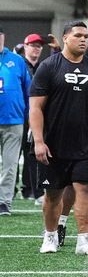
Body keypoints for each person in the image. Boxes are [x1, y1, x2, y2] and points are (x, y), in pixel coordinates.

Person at [29, 20, 88, 255]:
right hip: (54, 142)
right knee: (53, 193)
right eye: (78, 35)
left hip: (87, 143)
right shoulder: (49, 67)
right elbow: (36, 108)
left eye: (86, 36)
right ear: (66, 38)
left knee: (85, 188)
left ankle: (83, 240)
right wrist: (39, 141)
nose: (83, 39)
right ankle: (50, 237)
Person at [18, 33, 56, 205]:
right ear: (25, 47)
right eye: (33, 45)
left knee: (32, 152)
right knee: (15, 154)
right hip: (18, 115)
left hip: (37, 115)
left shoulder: (44, 67)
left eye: (39, 46)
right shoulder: (19, 65)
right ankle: (13, 191)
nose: (36, 49)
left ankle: (30, 189)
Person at [0, 24, 32, 216]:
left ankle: (4, 202)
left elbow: (28, 91)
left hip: (14, 120)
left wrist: (30, 118)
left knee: (10, 165)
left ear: (3, 38)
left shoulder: (17, 60)